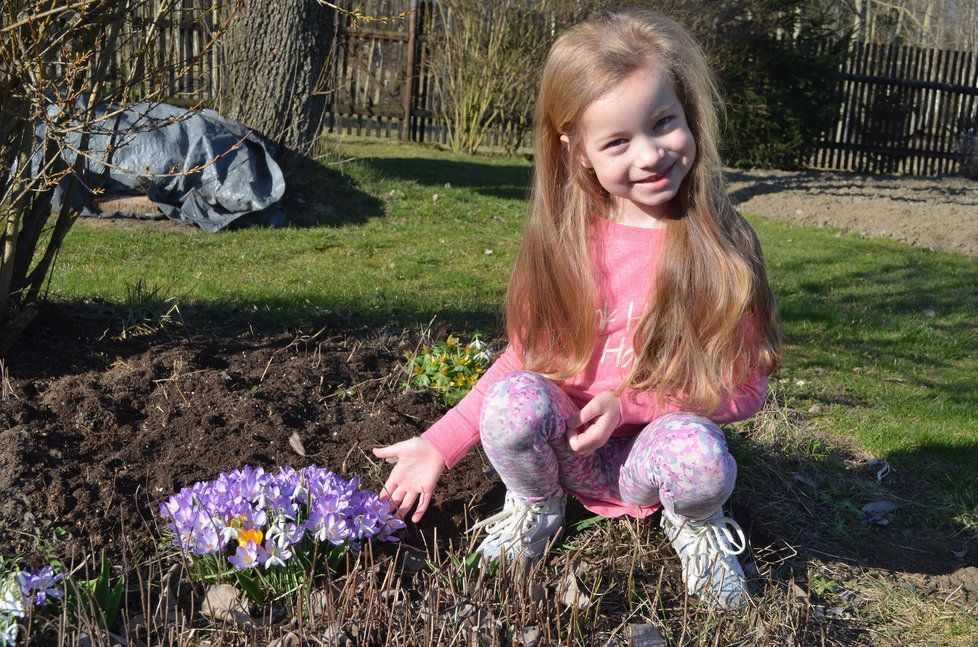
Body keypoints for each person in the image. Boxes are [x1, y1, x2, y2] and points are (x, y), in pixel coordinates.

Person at [372, 7, 783, 610]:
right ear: (578, 150)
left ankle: (694, 525)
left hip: (657, 453)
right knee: (514, 405)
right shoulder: (567, 246)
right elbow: (525, 360)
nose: (650, 155)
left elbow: (747, 388)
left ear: (688, 112)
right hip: (572, 454)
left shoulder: (720, 247)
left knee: (701, 459)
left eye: (663, 123)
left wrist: (635, 404)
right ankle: (537, 507)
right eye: (618, 141)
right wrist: (439, 442)